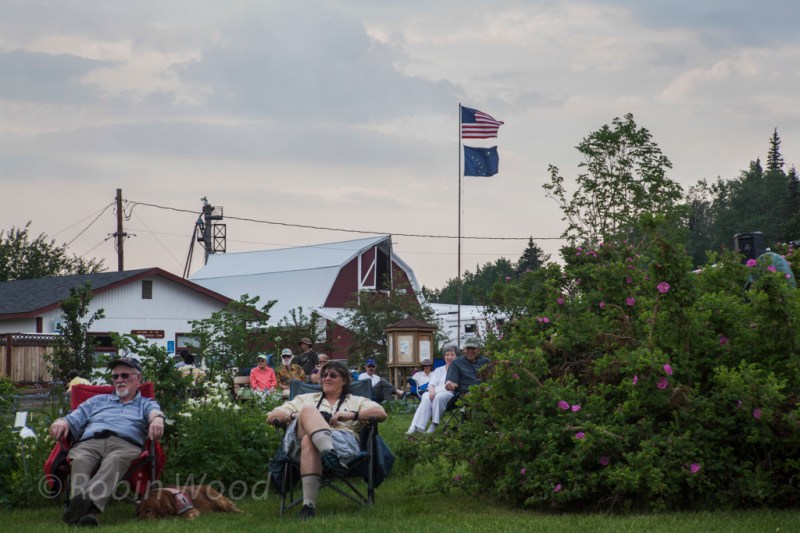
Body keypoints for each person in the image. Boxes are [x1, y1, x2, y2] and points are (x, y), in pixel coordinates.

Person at [49, 357, 164, 527]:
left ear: (138, 379)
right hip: (89, 442)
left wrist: (157, 420)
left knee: (115, 460)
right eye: (115, 377)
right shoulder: (97, 401)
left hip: (124, 444)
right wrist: (61, 421)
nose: (119, 380)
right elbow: (73, 417)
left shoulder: (145, 403)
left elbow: (155, 413)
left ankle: (81, 508)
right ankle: (89, 514)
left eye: (125, 375)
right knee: (80, 459)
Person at [267, 360, 386, 520]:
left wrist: (352, 415)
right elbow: (272, 416)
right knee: (308, 411)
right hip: (299, 449)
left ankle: (308, 507)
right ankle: (328, 453)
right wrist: (297, 415)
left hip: (342, 444)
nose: (326, 378)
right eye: (323, 375)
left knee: (309, 440)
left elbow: (381, 413)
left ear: (344, 380)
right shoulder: (306, 399)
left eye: (332, 375)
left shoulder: (355, 401)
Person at [429, 338, 489, 433]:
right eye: (468, 348)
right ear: (464, 349)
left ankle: (492, 427)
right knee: (476, 400)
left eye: (473, 349)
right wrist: (450, 384)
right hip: (467, 392)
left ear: (478, 350)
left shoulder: (485, 362)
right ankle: (476, 428)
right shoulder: (457, 363)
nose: (470, 351)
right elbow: (452, 381)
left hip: (486, 390)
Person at [407, 348, 457, 434]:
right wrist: (432, 392)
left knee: (439, 397)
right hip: (434, 391)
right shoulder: (438, 370)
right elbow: (431, 384)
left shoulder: (458, 369)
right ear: (444, 357)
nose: (449, 357)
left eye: (452, 355)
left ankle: (434, 425)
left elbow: (457, 384)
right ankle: (415, 426)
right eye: (447, 355)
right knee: (426, 397)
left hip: (449, 393)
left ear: (456, 357)